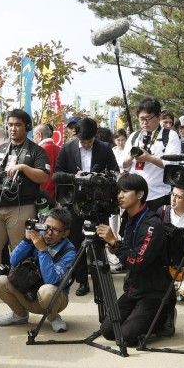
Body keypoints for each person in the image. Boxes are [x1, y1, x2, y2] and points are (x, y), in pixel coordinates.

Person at [0, 109, 50, 294]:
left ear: (27, 127)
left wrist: (23, 167)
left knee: (19, 248)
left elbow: (44, 177)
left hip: (22, 207)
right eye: (10, 125)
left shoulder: (35, 150)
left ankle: (21, 281)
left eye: (17, 125)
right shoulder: (0, 150)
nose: (13, 129)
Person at [95, 173, 176, 342]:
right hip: (133, 289)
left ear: (139, 195)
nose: (119, 196)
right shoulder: (129, 219)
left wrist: (114, 242)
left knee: (125, 337)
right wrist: (114, 246)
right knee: (108, 331)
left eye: (125, 191)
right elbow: (127, 254)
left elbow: (137, 261)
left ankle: (165, 314)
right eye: (118, 191)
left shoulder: (151, 224)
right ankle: (140, 316)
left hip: (154, 293)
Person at [55, 117, 119, 296]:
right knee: (76, 243)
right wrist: (75, 177)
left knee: (99, 241)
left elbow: (115, 171)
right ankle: (82, 280)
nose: (86, 144)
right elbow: (56, 174)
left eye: (90, 141)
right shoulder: (67, 148)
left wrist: (98, 177)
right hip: (75, 202)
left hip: (98, 202)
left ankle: (101, 279)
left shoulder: (104, 148)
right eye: (83, 141)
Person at [0, 207, 77, 332]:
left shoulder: (69, 252)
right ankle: (19, 315)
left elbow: (51, 279)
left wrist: (42, 250)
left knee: (46, 290)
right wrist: (26, 240)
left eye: (55, 230)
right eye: (47, 227)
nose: (48, 233)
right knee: (0, 282)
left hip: (54, 298)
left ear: (65, 233)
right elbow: (13, 261)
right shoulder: (37, 237)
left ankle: (53, 317)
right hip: (29, 291)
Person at [121, 96, 183, 211]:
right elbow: (122, 164)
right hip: (135, 196)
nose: (144, 122)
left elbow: (172, 165)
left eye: (148, 118)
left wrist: (149, 158)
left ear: (158, 116)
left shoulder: (170, 135)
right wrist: (130, 157)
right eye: (141, 119)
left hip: (158, 195)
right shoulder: (135, 136)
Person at [32, 122, 60, 199]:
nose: (33, 139)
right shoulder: (60, 149)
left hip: (41, 194)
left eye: (33, 136)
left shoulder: (38, 151)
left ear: (40, 135)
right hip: (57, 194)